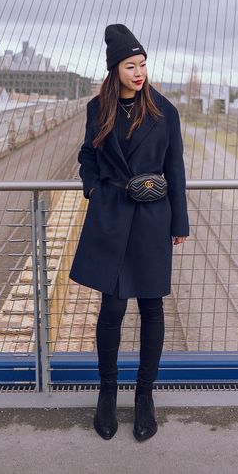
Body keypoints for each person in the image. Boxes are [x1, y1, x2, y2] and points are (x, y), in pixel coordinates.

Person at [69, 23, 189, 442]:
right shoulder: (96, 109)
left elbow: (176, 170)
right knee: (114, 309)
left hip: (153, 217)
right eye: (130, 65)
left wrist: (180, 223)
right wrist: (92, 188)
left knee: (152, 308)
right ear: (114, 69)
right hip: (113, 214)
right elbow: (87, 154)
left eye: (142, 64)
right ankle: (106, 396)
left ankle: (144, 397)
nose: (139, 73)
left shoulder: (164, 110)